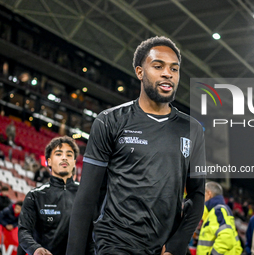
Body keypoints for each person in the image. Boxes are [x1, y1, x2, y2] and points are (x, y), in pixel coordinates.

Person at [67, 36, 206, 255]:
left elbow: (197, 196)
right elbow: (86, 196)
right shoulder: (110, 121)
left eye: (174, 68)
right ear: (140, 72)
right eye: (158, 66)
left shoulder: (192, 129)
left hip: (163, 248)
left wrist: (176, 246)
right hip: (115, 243)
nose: (167, 73)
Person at [18, 136, 86, 255]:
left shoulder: (86, 195)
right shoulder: (35, 196)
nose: (64, 157)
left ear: (74, 162)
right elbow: (24, 232)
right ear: (49, 161)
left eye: (69, 155)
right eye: (59, 154)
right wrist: (35, 249)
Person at [196, 182, 242, 255]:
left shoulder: (218, 211)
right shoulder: (215, 211)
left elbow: (226, 239)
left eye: (203, 194)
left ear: (209, 194)